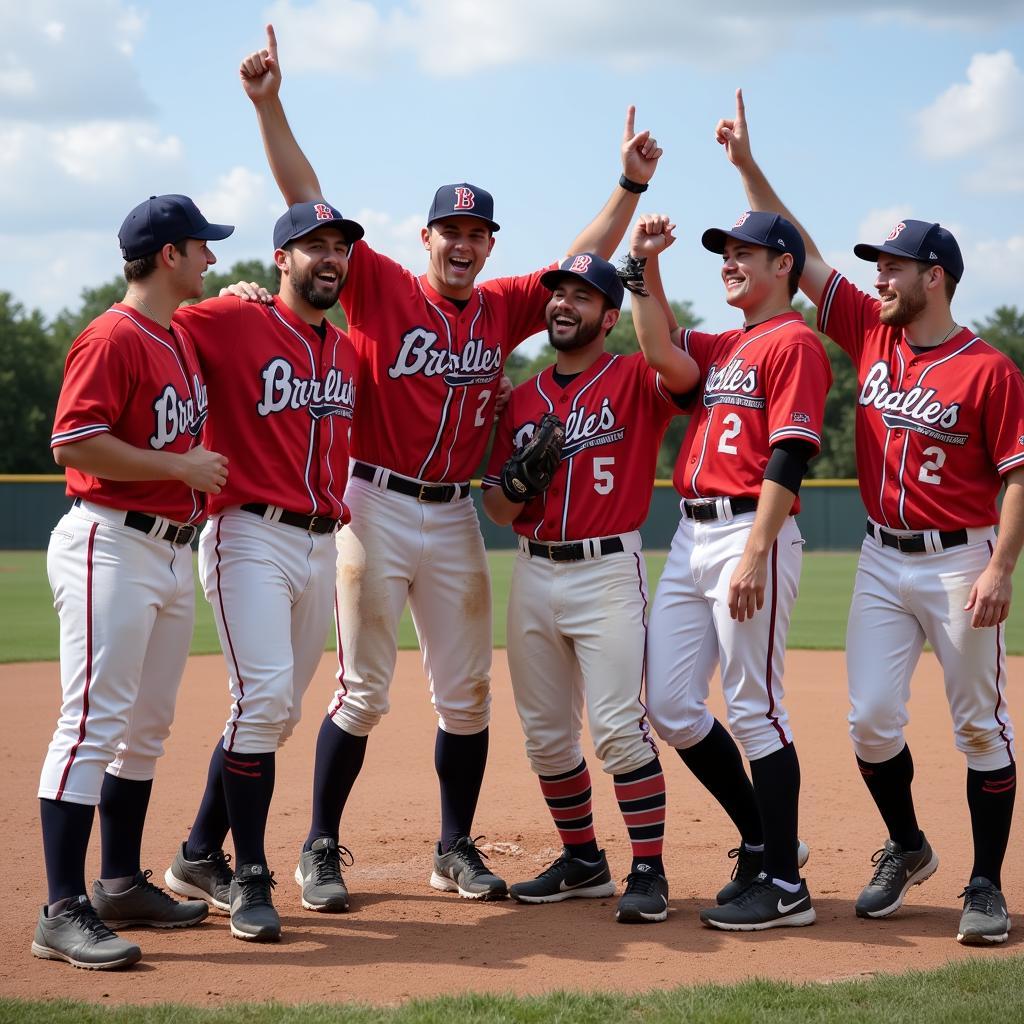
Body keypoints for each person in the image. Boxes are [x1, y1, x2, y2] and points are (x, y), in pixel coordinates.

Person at [228, 24, 663, 906]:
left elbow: (579, 262)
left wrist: (627, 187)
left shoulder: (504, 308)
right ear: (424, 236)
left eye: (478, 233)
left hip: (455, 513)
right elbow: (307, 200)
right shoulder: (381, 284)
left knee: (466, 695)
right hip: (373, 502)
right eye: (450, 230)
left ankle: (454, 847)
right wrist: (271, 104)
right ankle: (319, 845)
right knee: (363, 692)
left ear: (491, 247)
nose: (463, 243)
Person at [715, 88, 1022, 944]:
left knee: (977, 724)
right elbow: (800, 252)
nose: (877, 277)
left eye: (893, 267)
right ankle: (907, 842)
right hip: (884, 560)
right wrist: (747, 168)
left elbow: (1018, 473)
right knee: (871, 720)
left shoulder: (990, 368)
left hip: (963, 559)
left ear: (937, 278)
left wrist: (1001, 567)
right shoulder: (872, 332)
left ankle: (986, 885)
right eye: (876, 266)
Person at [34, 195, 232, 969]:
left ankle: (118, 883)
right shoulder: (112, 335)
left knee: (145, 727)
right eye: (203, 247)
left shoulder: (177, 335)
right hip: (110, 542)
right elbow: (73, 441)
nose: (213, 259)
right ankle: (62, 908)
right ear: (170, 254)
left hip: (171, 550)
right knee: (91, 725)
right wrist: (176, 466)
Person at [162, 201, 362, 943]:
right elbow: (154, 315)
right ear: (282, 259)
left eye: (339, 246)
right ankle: (248, 874)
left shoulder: (342, 349)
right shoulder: (231, 320)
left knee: (272, 712)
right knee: (265, 697)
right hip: (246, 530)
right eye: (313, 245)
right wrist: (223, 293)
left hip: (320, 542)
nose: (330, 257)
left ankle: (194, 856)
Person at [627, 204, 831, 931]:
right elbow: (658, 352)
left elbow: (791, 453)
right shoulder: (722, 347)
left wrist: (755, 554)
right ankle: (764, 840)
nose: (730, 262)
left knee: (754, 708)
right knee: (671, 705)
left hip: (752, 531)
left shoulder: (795, 343)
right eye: (724, 252)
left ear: (785, 266)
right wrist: (644, 264)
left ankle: (784, 884)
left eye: (747, 252)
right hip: (690, 534)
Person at [481, 246, 697, 922]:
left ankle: (649, 872)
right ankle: (582, 862)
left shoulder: (636, 377)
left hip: (607, 571)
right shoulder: (519, 398)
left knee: (616, 729)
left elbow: (674, 365)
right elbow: (495, 506)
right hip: (533, 569)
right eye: (557, 293)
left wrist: (642, 286)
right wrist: (516, 484)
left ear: (608, 314)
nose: (562, 304)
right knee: (545, 736)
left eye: (580, 296)